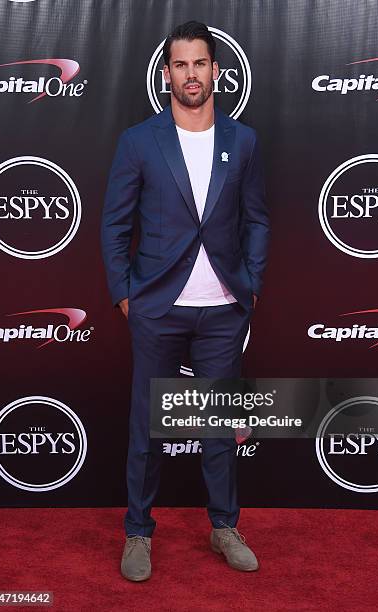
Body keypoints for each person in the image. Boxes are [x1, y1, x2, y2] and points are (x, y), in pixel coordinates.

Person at [101, 20, 269, 582]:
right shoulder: (138, 141)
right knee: (148, 427)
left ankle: (224, 527)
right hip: (157, 308)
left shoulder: (242, 141)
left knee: (220, 428)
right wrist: (126, 296)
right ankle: (138, 533)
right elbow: (114, 224)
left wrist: (251, 282)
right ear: (167, 73)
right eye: (181, 65)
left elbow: (258, 220)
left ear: (215, 71)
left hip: (223, 310)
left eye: (200, 63)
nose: (191, 74)